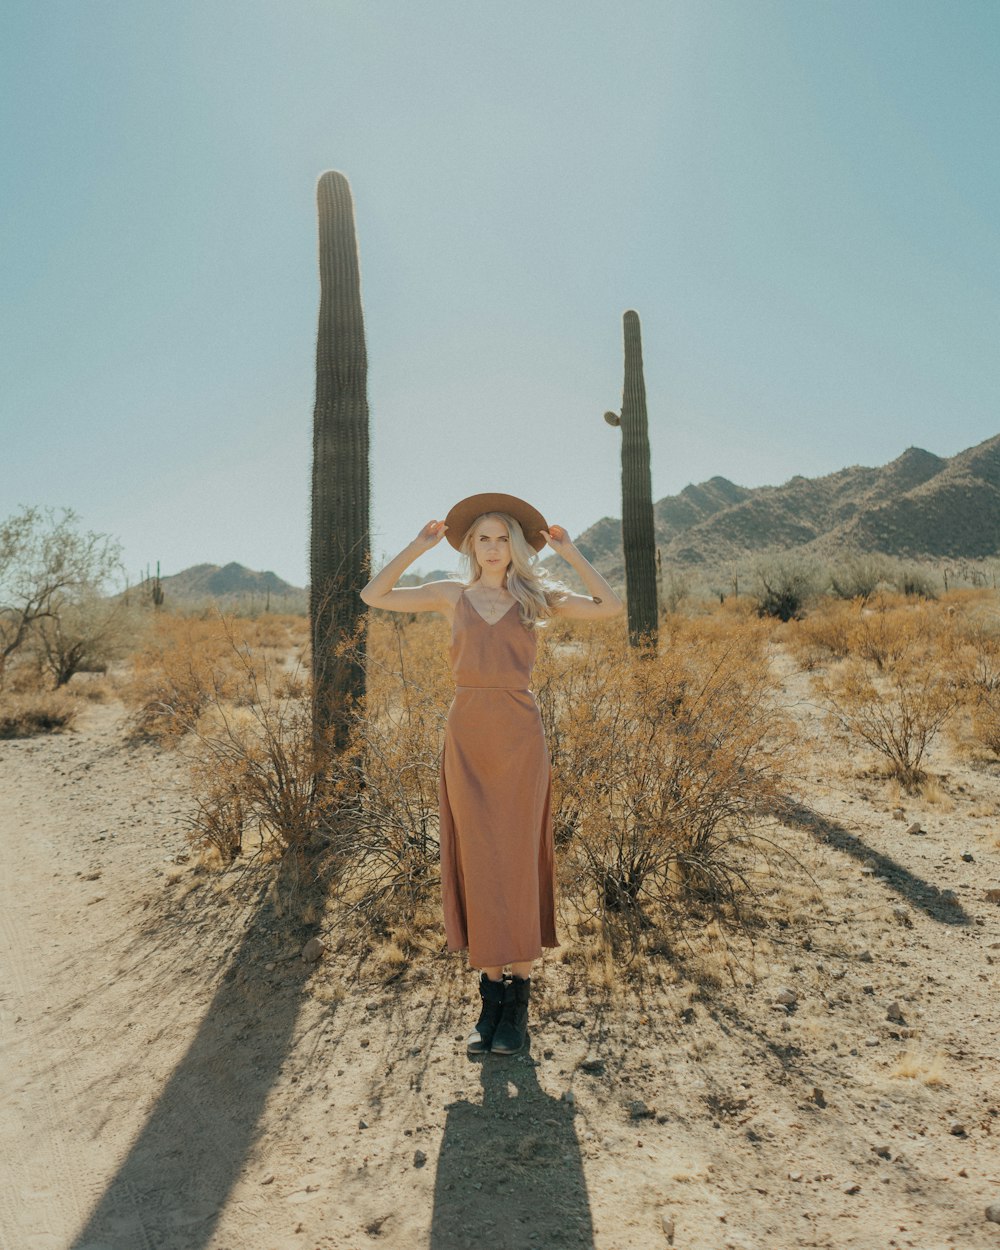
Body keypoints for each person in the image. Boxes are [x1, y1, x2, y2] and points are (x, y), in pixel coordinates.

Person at [359, 492, 623, 1055]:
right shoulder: (450, 595)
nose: (496, 548)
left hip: (520, 738)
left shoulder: (536, 596)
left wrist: (571, 552)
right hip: (468, 736)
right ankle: (491, 996)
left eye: (505, 539)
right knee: (479, 856)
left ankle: (518, 1004)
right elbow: (372, 594)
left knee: (519, 855)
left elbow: (609, 606)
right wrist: (418, 544)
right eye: (485, 538)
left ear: (517, 547)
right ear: (470, 546)